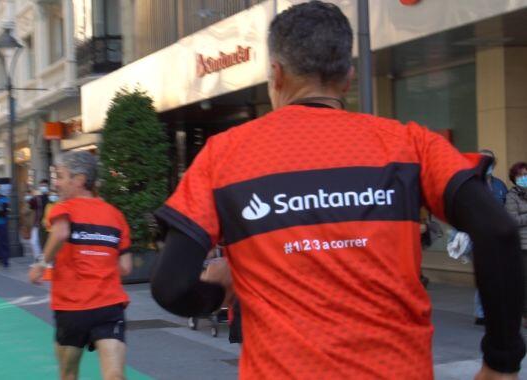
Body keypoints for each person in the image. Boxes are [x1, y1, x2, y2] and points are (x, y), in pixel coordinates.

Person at [150, 2, 524, 379]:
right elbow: (499, 231)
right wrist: (501, 361)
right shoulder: (409, 145)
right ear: (348, 76)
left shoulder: (224, 156)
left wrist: (219, 291)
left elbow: (171, 287)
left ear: (276, 75)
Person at [28, 151, 133, 380]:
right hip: (109, 306)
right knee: (114, 374)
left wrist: (41, 264)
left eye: (61, 176)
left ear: (80, 180)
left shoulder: (64, 208)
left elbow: (61, 232)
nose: (56, 183)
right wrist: (99, 263)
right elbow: (125, 267)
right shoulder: (116, 215)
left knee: (68, 374)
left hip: (72, 307)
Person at [473, 150, 510, 325]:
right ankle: (482, 312)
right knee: (485, 273)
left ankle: (495, 310)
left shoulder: (500, 186)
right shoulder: (470, 184)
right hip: (479, 235)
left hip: (499, 236)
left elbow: (507, 209)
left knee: (499, 274)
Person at [506, 162, 527, 327]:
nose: (524, 178)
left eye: (526, 175)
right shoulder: (512, 196)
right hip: (522, 245)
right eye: (520, 176)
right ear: (514, 178)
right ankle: (524, 315)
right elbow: (512, 220)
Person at [29, 179, 51, 255]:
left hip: (48, 224)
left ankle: (46, 259)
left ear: (48, 187)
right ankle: (38, 258)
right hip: (37, 223)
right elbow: (31, 205)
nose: (43, 187)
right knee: (33, 242)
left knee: (46, 243)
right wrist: (33, 196)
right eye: (41, 186)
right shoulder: (37, 197)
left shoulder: (50, 197)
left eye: (44, 186)